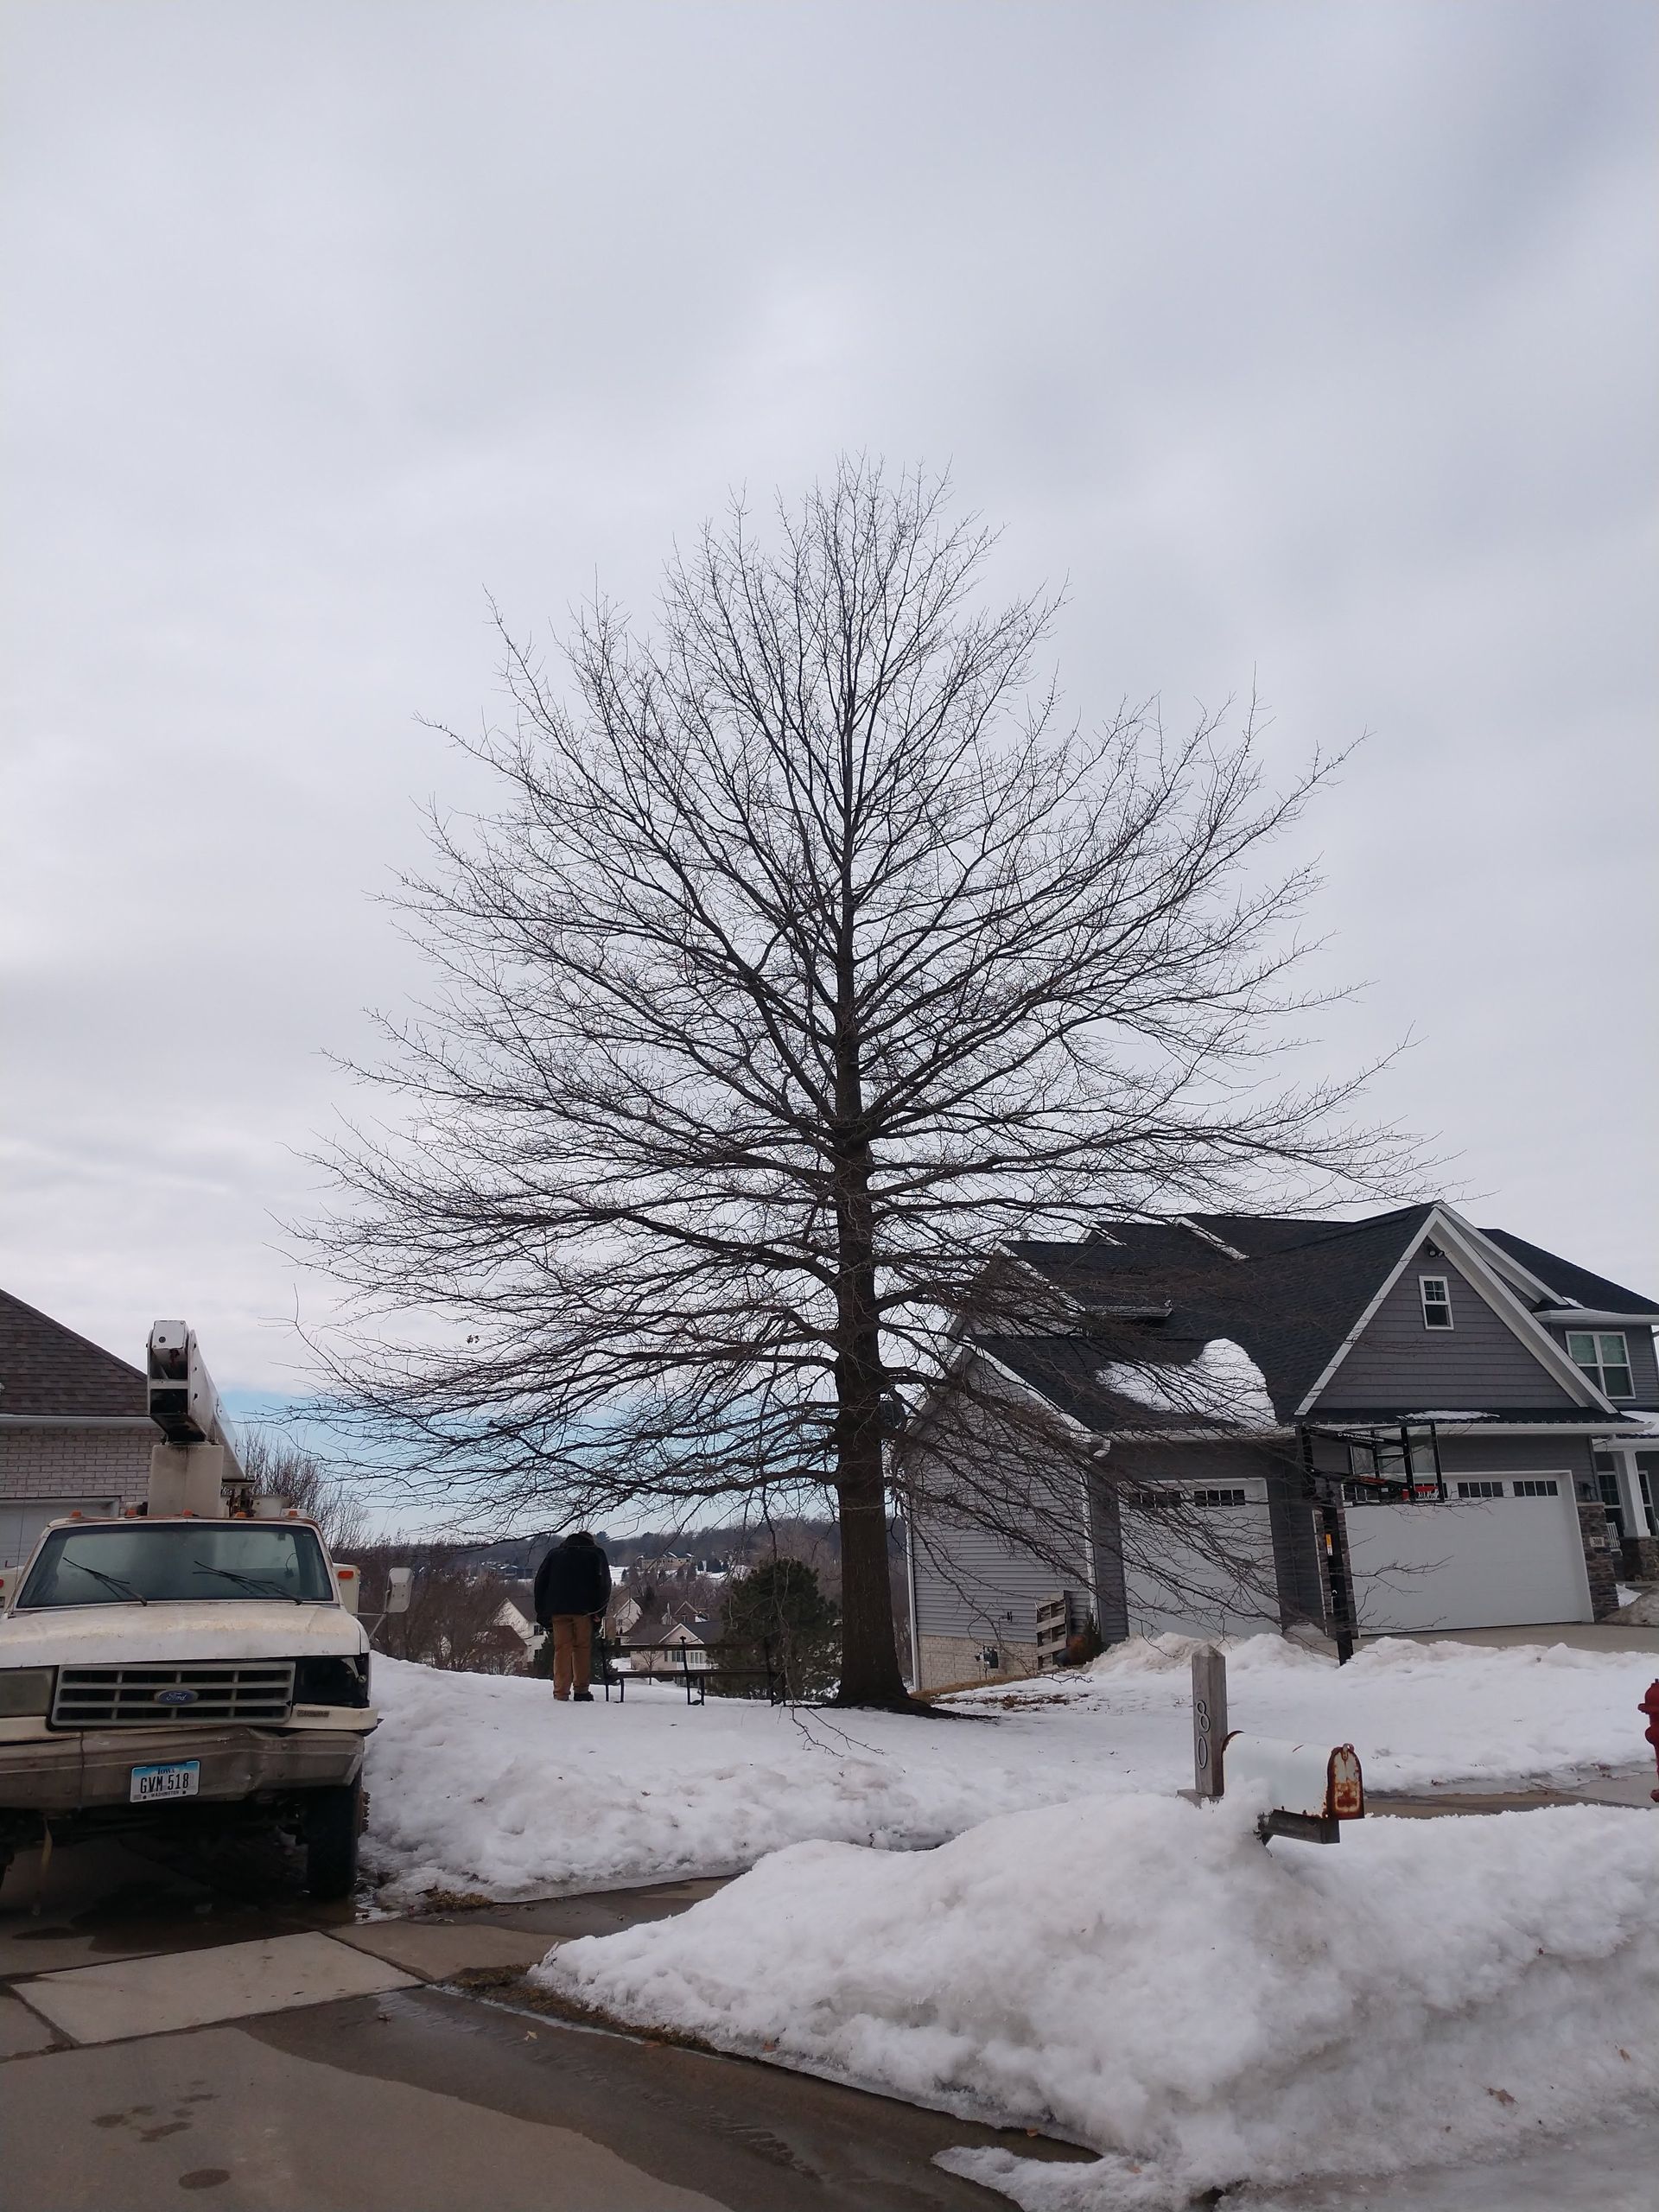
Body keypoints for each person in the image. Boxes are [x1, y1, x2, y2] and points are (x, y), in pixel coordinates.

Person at [532, 1530, 612, 1702]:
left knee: (562, 1649)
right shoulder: (596, 1554)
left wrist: (542, 1609)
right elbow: (604, 1584)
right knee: (581, 1648)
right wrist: (600, 1611)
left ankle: (561, 1691)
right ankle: (581, 1690)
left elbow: (540, 1582)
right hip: (585, 1610)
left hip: (558, 1609)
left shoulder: (555, 1555)